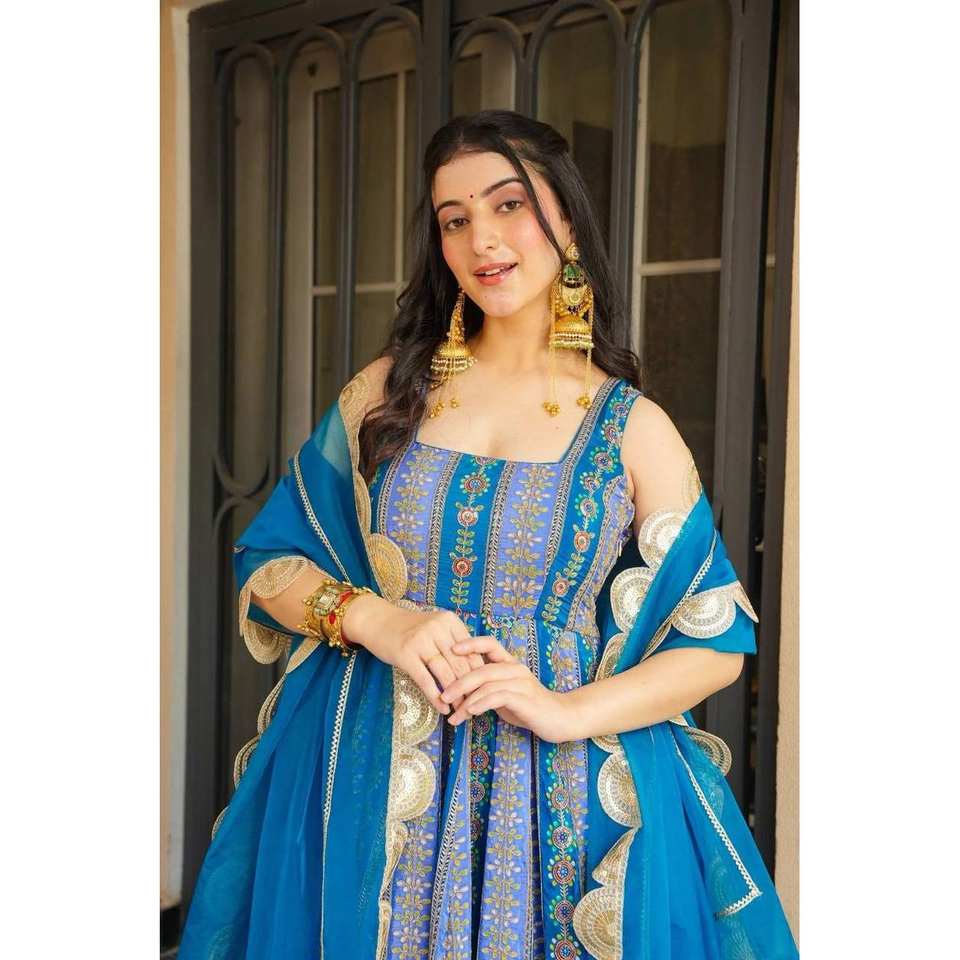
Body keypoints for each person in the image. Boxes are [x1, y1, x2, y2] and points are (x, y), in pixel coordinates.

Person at [178, 110, 799, 959]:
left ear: (566, 223)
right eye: (455, 219)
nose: (483, 240)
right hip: (368, 769)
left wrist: (564, 710)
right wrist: (379, 620)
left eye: (509, 205)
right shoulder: (387, 394)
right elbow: (270, 563)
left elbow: (714, 645)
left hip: (553, 789)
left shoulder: (631, 428)